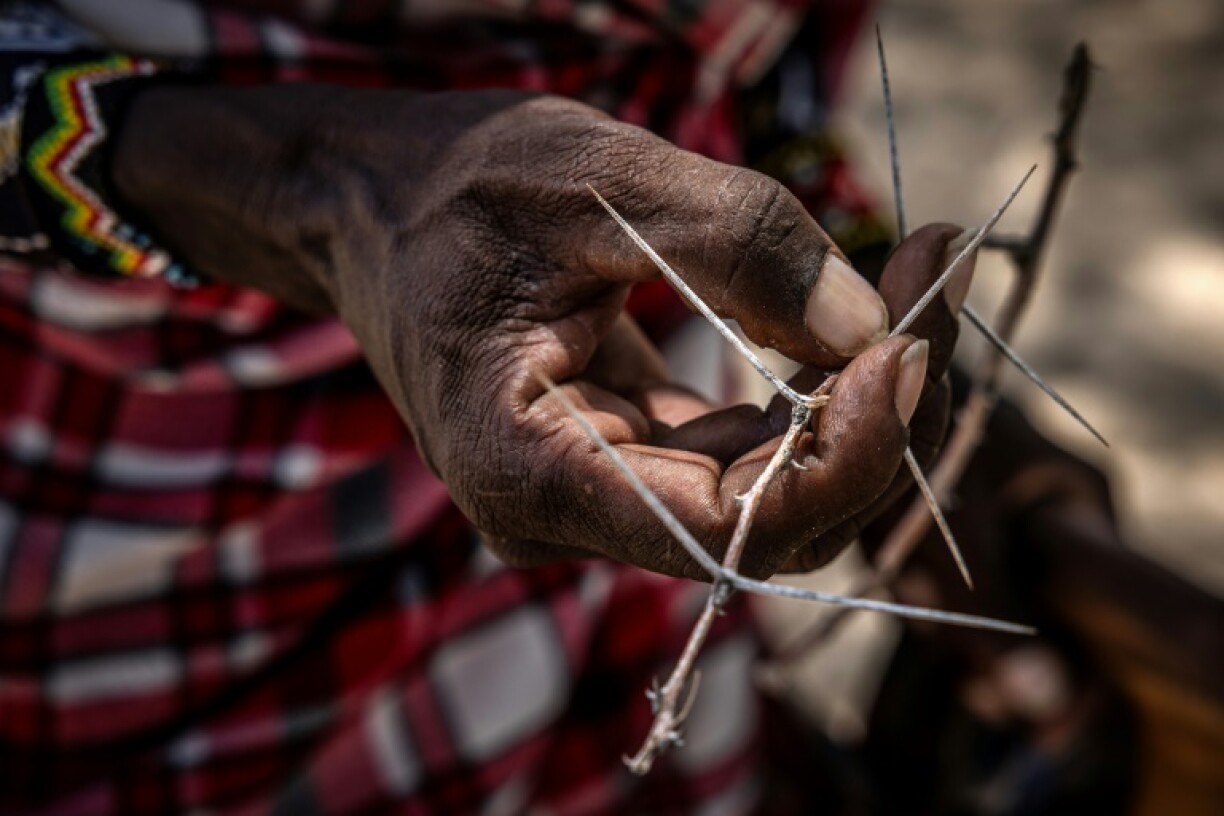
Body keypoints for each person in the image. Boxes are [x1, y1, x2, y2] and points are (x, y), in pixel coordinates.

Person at [0, 0, 977, 812]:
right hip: (153, 527)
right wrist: (308, 184)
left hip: (644, 457)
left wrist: (884, 325)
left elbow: (750, 60)